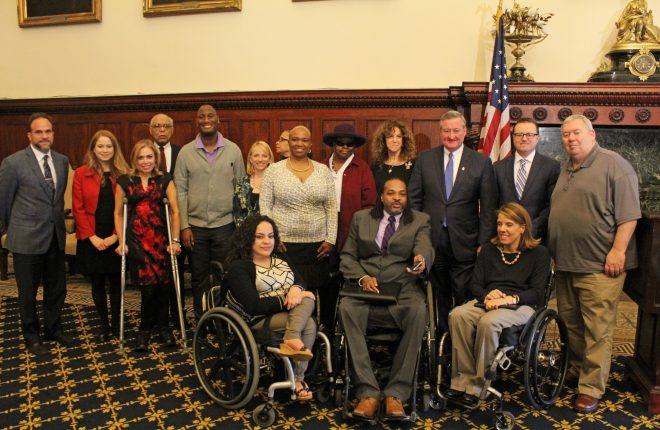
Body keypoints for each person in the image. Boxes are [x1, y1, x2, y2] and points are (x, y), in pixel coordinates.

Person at [549, 114, 641, 414]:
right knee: (572, 326)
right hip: (567, 265)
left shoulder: (615, 165)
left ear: (592, 134)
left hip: (601, 266)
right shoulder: (566, 168)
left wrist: (618, 250)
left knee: (597, 329)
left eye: (576, 133)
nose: (570, 139)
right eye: (565, 135)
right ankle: (576, 373)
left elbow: (629, 215)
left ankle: (590, 388)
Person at [338, 178, 433, 420]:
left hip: (402, 287)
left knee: (419, 310)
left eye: (402, 194)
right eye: (391, 193)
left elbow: (424, 246)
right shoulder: (362, 218)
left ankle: (396, 393)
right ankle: (367, 392)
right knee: (346, 308)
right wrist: (361, 278)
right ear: (381, 196)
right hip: (367, 289)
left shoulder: (420, 220)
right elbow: (348, 256)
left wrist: (421, 259)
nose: (397, 198)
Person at [447, 203, 550, 403]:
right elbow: (475, 284)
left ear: (522, 228)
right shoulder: (488, 251)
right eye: (500, 224)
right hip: (489, 302)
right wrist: (487, 295)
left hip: (521, 306)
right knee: (457, 315)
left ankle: (479, 385)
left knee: (489, 321)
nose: (502, 229)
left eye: (509, 224)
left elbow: (537, 293)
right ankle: (462, 381)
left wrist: (509, 299)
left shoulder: (539, 254)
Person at [408, 110, 498, 332]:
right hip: (431, 240)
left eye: (456, 130)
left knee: (462, 292)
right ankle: (440, 340)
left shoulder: (481, 162)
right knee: (437, 293)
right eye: (446, 130)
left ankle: (459, 339)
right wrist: (415, 237)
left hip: (466, 241)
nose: (451, 135)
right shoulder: (425, 160)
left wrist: (483, 242)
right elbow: (414, 201)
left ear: (465, 131)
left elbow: (488, 207)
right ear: (440, 132)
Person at [0, 113, 72, 356]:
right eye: (39, 132)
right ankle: (31, 336)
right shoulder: (13, 162)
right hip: (26, 239)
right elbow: (4, 201)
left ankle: (53, 328)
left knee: (56, 288)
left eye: (48, 131)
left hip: (55, 236)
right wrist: (8, 230)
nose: (44, 136)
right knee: (28, 292)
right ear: (29, 135)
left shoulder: (62, 161)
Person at [224, 215, 317, 400]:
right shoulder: (240, 267)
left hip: (289, 312)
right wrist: (288, 297)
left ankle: (292, 340)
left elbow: (300, 280)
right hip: (258, 318)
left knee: (308, 297)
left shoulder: (280, 257)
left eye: (271, 236)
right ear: (247, 239)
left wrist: (297, 289)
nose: (267, 241)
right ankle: (298, 378)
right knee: (309, 323)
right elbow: (253, 305)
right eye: (259, 237)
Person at [174, 104, 245, 319]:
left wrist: (239, 226)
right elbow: (180, 192)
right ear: (197, 121)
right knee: (199, 277)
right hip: (196, 229)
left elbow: (241, 187)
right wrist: (184, 226)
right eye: (201, 116)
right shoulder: (186, 152)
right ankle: (202, 318)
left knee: (224, 275)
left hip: (225, 226)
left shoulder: (233, 150)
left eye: (210, 115)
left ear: (218, 120)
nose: (206, 119)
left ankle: (223, 319)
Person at [260, 125, 337, 322]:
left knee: (320, 291)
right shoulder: (273, 171)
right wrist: (273, 238)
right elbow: (265, 208)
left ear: (310, 145)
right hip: (285, 245)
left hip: (319, 246)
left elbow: (331, 207)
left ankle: (325, 335)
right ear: (288, 143)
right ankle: (298, 334)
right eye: (294, 139)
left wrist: (331, 239)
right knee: (293, 294)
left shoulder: (323, 171)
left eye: (304, 140)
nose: (299, 143)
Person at [114, 139, 182, 351]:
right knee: (148, 288)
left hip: (162, 241)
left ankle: (163, 329)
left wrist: (175, 240)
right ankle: (144, 330)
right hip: (137, 241)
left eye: (149, 157)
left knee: (163, 285)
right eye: (141, 157)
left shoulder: (165, 180)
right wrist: (121, 240)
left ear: (156, 158)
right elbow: (118, 213)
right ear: (135, 159)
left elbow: (175, 211)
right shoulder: (125, 181)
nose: (145, 161)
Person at [72, 130, 129, 342]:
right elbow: (77, 209)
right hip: (91, 237)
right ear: (93, 149)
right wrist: (92, 237)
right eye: (100, 146)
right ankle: (104, 325)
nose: (104, 150)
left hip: (116, 236)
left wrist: (116, 236)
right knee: (97, 283)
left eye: (109, 146)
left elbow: (127, 209)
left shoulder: (124, 174)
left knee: (116, 282)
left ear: (115, 149)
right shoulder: (81, 173)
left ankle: (117, 325)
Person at [493, 118, 559, 243]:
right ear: (513, 137)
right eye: (519, 134)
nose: (524, 139)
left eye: (529, 134)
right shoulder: (498, 167)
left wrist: (529, 230)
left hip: (537, 238)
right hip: (504, 238)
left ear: (537, 138)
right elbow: (492, 204)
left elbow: (551, 205)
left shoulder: (551, 167)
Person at [149, 113, 186, 329]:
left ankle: (178, 315)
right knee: (154, 274)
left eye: (166, 126)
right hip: (150, 223)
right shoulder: (142, 153)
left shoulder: (183, 153)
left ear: (172, 130)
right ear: (150, 130)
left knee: (176, 272)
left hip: (175, 219)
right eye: (157, 126)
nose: (162, 130)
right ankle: (156, 319)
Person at [232, 140, 274, 227]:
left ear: (269, 159)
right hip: (245, 235)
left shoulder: (276, 183)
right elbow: (237, 212)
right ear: (250, 159)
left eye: (264, 156)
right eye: (256, 155)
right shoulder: (241, 183)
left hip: (269, 235)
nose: (260, 159)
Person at [370, 120, 416, 192]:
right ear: (383, 140)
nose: (395, 140)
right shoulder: (376, 165)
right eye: (390, 136)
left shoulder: (414, 166)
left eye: (399, 136)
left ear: (403, 141)